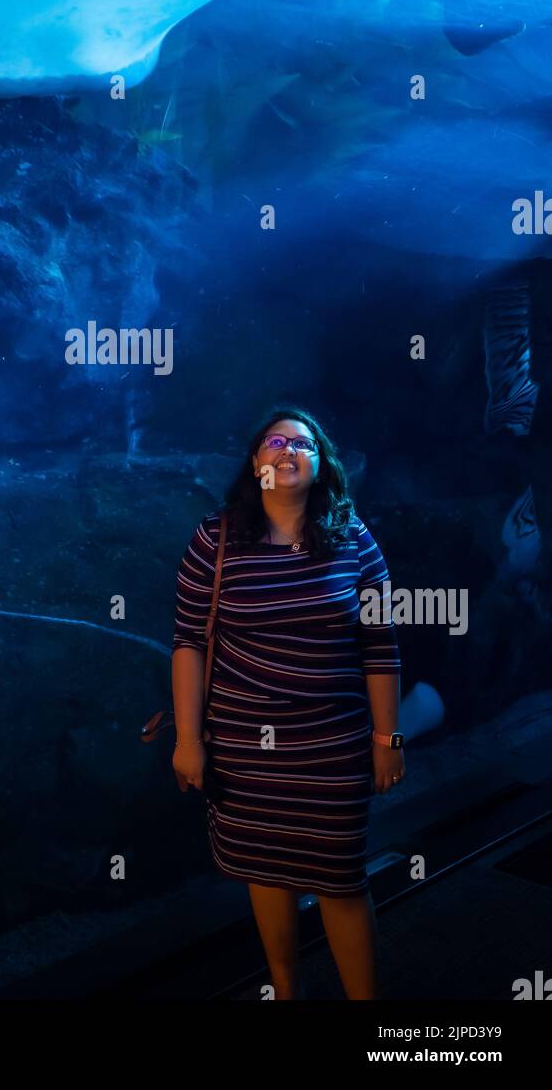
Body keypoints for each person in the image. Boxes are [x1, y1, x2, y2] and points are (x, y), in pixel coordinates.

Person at [171, 405, 403, 1000]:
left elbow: (381, 645)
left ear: (321, 464)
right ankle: (284, 990)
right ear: (256, 464)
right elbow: (190, 643)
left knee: (341, 881)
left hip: (331, 752)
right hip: (244, 753)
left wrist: (386, 739)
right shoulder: (215, 538)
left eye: (302, 443)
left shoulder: (355, 539)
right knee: (263, 871)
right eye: (274, 442)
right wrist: (189, 740)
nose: (286, 450)